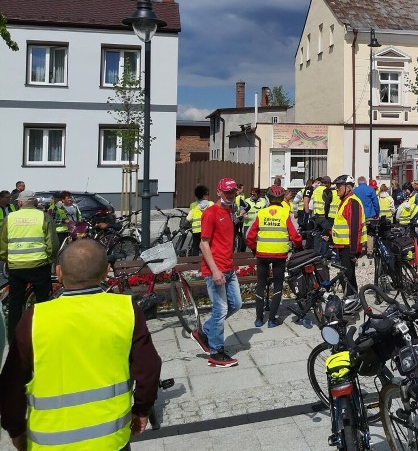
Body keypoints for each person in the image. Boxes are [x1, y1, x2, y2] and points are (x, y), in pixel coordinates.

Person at [0, 239, 162, 450]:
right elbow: (149, 368)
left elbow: (11, 383)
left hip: (49, 442)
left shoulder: (35, 318)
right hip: (110, 440)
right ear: (106, 272)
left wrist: (16, 429)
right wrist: (141, 411)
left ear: (59, 273)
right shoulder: (125, 310)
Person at [191, 177, 243, 368]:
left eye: (233, 192)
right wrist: (215, 270)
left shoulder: (230, 210)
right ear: (218, 192)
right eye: (227, 192)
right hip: (215, 269)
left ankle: (204, 332)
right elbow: (203, 243)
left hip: (229, 268)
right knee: (220, 310)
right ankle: (216, 352)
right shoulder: (211, 213)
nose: (231, 195)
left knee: (236, 304)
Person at [0, 190, 58, 334]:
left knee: (15, 304)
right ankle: (42, 333)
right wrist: (49, 260)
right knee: (43, 302)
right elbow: (52, 243)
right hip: (39, 265)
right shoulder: (43, 216)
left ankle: (14, 338)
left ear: (19, 202)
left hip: (16, 267)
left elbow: (3, 243)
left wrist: (7, 258)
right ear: (35, 203)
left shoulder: (10, 218)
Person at [246, 185, 302, 328]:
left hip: (262, 254)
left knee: (261, 284)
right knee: (278, 285)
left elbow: (249, 236)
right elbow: (295, 236)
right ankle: (272, 320)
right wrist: (299, 247)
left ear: (268, 198)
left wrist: (254, 249)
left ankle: (259, 319)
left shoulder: (261, 213)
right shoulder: (285, 214)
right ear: (281, 197)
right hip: (279, 255)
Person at [330, 175, 367, 294]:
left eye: (339, 186)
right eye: (336, 187)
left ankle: (352, 301)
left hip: (348, 247)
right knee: (347, 276)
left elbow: (355, 228)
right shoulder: (344, 201)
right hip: (342, 245)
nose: (337, 189)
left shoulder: (352, 202)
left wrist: (353, 251)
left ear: (348, 188)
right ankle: (352, 300)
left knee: (348, 276)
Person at [185, 186, 212, 257]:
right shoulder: (211, 204)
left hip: (196, 230)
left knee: (196, 247)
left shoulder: (193, 205)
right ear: (205, 196)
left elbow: (188, 218)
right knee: (207, 246)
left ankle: (195, 263)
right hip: (207, 229)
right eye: (208, 194)